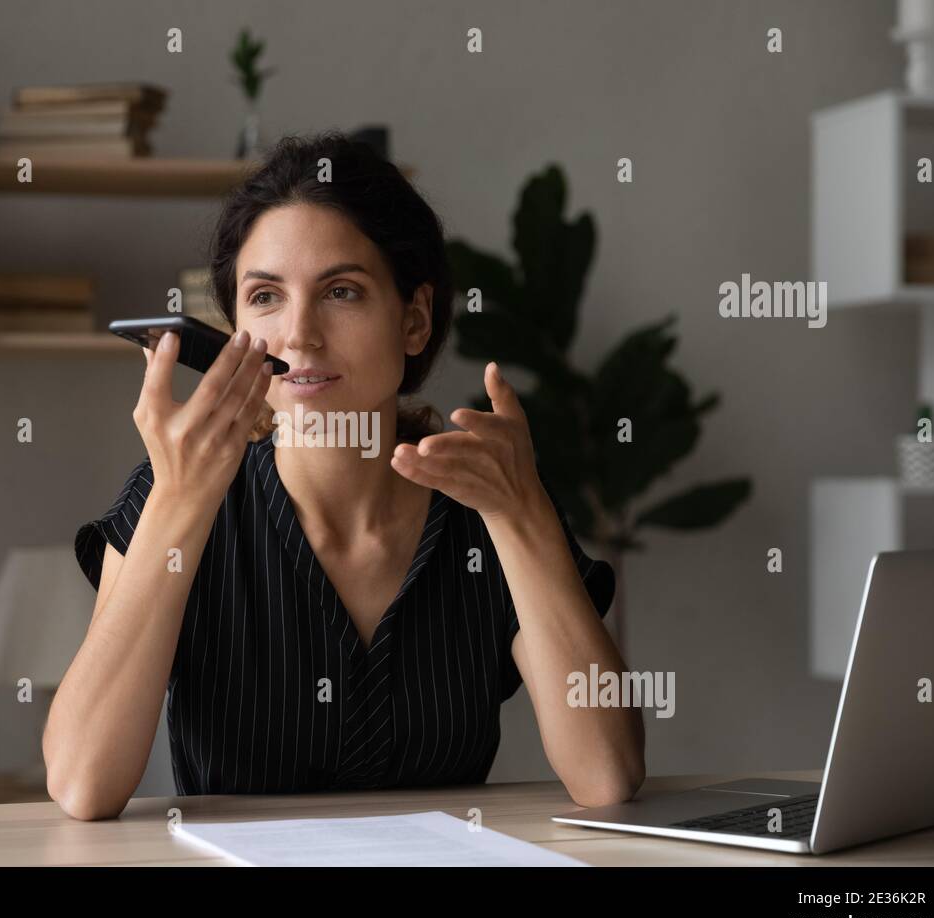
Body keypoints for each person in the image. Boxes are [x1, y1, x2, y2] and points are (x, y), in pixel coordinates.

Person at [45, 131, 644, 820]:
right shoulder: (171, 494)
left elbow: (608, 773)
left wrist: (524, 515)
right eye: (265, 297)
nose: (300, 334)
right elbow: (83, 784)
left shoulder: (489, 501)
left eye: (341, 291)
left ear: (414, 320)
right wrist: (180, 500)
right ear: (234, 329)